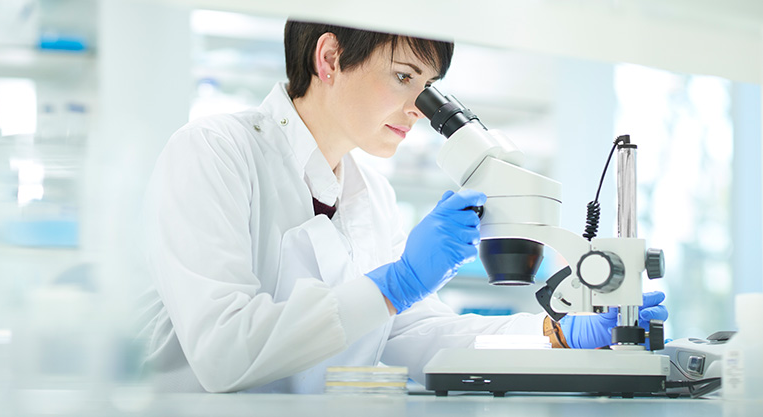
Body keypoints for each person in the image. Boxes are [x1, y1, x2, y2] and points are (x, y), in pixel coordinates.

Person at [138, 19, 668, 394]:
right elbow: (223, 352)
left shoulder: (373, 194)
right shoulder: (215, 151)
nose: (419, 107)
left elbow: (411, 336)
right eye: (403, 76)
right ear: (329, 58)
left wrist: (555, 335)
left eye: (430, 86)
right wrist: (396, 283)